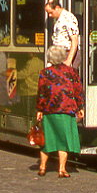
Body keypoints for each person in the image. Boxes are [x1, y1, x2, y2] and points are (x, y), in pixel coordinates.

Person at [35, 45, 84, 178]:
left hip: (49, 110)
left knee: (47, 140)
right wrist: (80, 107)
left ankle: (42, 167)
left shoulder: (44, 73)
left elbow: (42, 93)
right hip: (66, 110)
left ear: (49, 58)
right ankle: (62, 169)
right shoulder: (71, 72)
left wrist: (39, 109)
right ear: (63, 57)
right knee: (63, 141)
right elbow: (78, 91)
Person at [45, 0, 80, 68]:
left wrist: (68, 60)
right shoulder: (59, 20)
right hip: (59, 54)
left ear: (57, 8)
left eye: (51, 12)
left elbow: (74, 40)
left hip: (66, 53)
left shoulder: (68, 18)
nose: (50, 15)